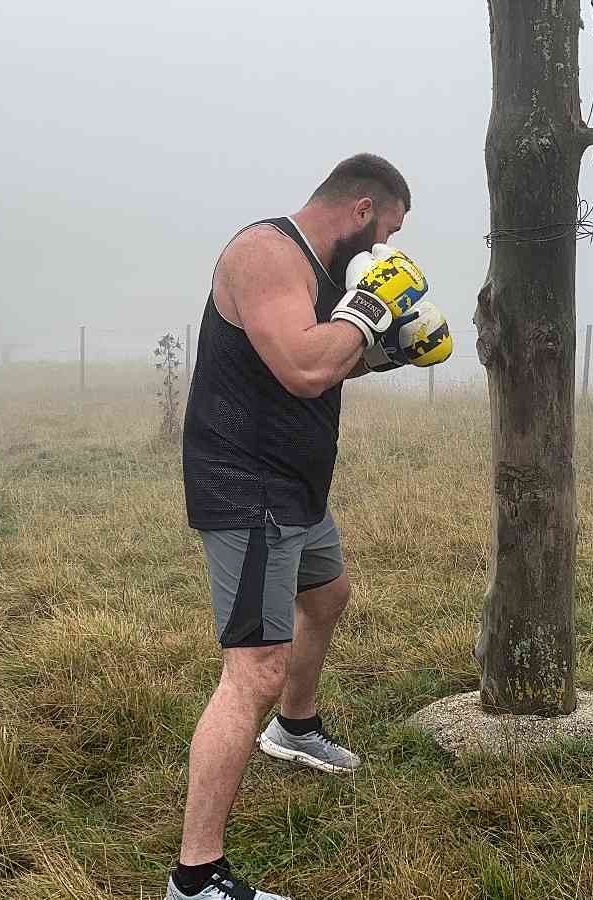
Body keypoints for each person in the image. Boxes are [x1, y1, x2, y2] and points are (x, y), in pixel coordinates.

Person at [166, 153, 451, 900]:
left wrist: (390, 349)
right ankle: (196, 878)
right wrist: (369, 311)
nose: (385, 249)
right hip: (249, 488)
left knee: (327, 595)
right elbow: (300, 368)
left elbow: (331, 361)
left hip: (297, 487)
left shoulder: (331, 279)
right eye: (385, 231)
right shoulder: (264, 254)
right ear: (361, 209)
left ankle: (294, 729)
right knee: (252, 668)